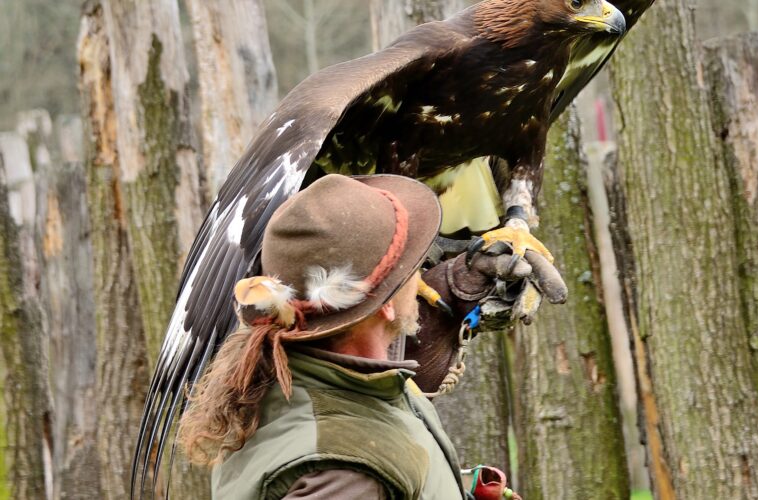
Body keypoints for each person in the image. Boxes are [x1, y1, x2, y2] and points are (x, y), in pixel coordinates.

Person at [178, 174, 563, 499]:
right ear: (386, 306)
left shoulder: (334, 384)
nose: (425, 271)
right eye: (416, 263)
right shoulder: (341, 472)